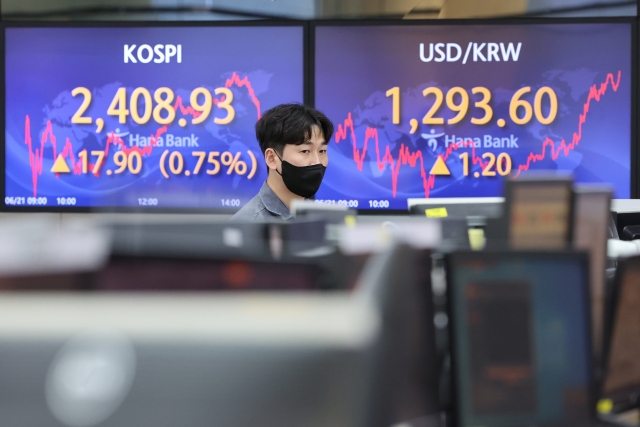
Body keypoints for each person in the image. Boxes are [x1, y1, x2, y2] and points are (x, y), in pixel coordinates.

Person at [230, 103, 334, 221]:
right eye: (305, 151)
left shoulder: (318, 218)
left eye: (322, 151)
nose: (317, 162)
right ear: (272, 158)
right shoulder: (250, 225)